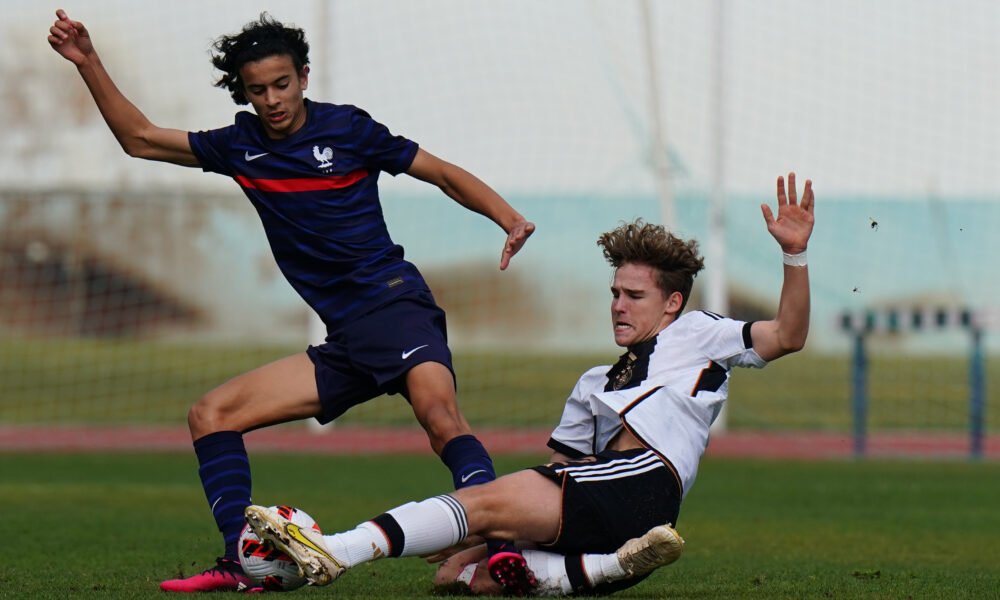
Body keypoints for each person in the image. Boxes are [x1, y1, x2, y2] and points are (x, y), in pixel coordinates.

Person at [47, 9, 536, 593]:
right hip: (347, 338)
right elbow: (140, 139)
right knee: (211, 415)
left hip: (394, 305)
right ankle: (241, 560)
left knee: (441, 418)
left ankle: (503, 548)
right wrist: (88, 62)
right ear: (245, 92)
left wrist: (507, 217)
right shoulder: (240, 146)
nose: (273, 100)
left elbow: (440, 173)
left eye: (282, 84)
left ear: (303, 77)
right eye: (258, 90)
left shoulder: (348, 129)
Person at [244, 173, 815, 596]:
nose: (618, 305)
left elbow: (787, 335)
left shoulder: (698, 332)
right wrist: (484, 536)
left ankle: (334, 550)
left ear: (672, 303)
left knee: (481, 503)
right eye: (614, 293)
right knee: (462, 576)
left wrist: (795, 255)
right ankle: (611, 566)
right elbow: (558, 467)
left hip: (642, 483)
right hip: (609, 509)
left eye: (634, 296)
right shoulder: (594, 382)